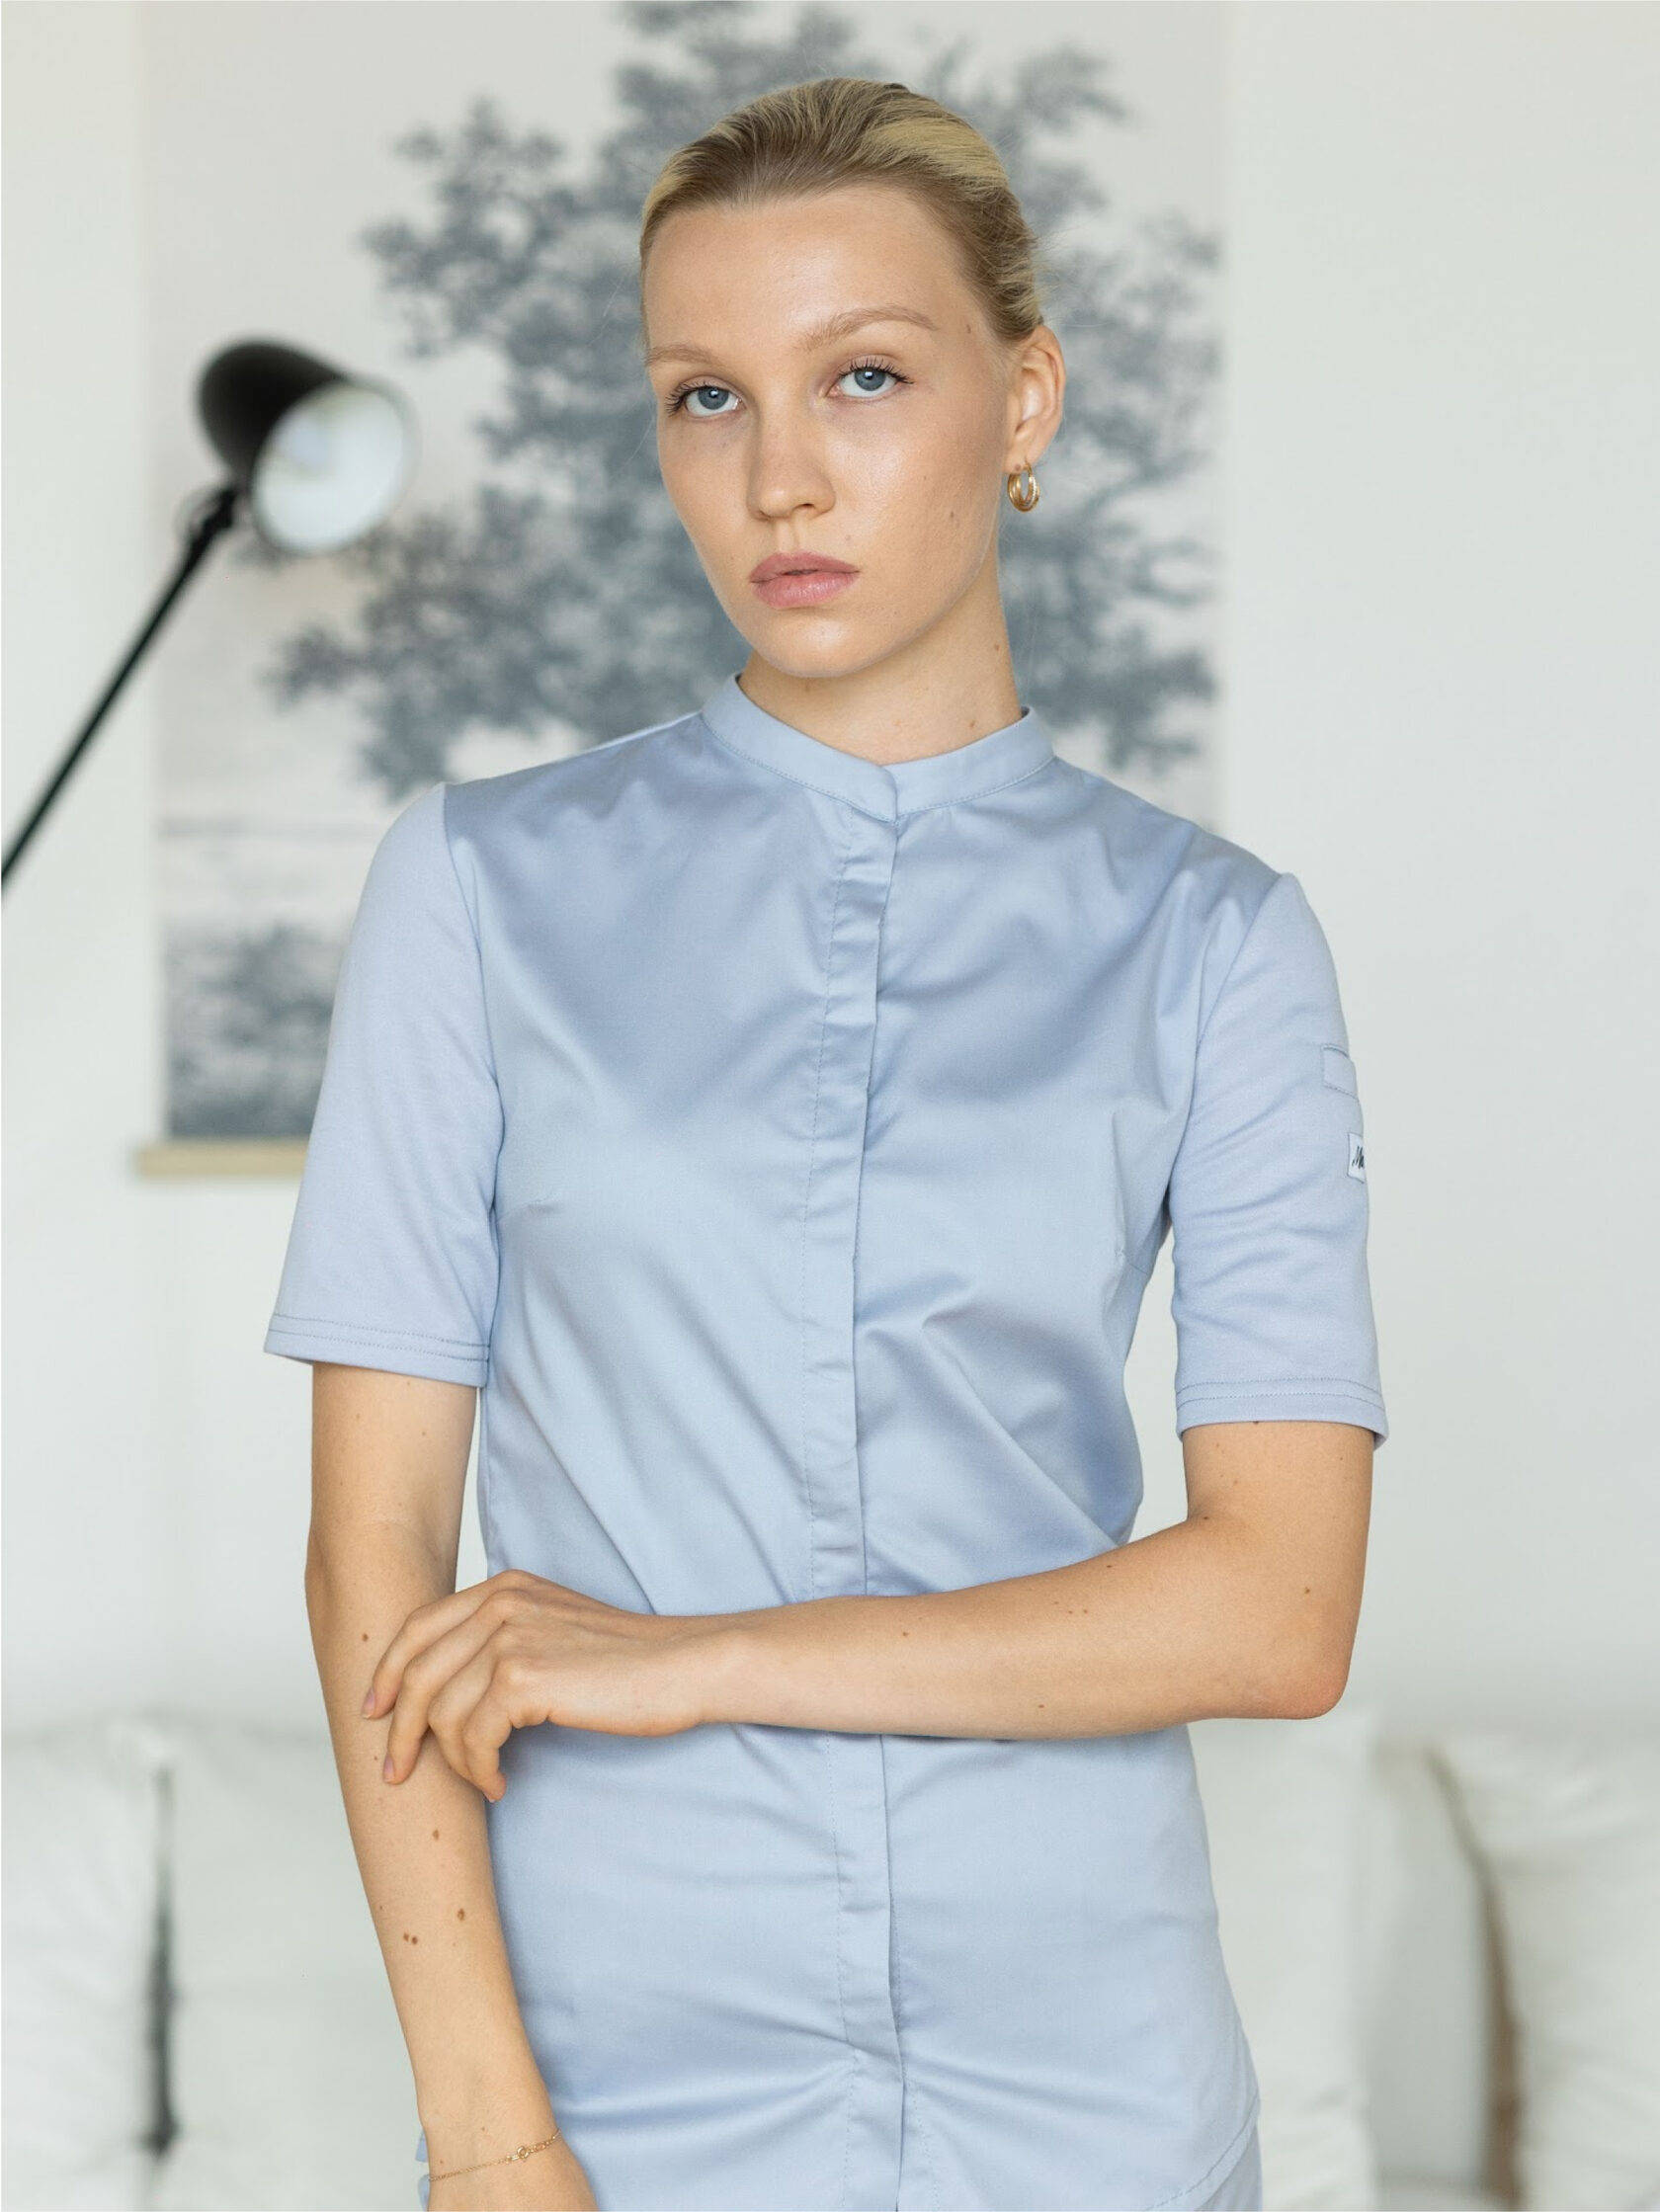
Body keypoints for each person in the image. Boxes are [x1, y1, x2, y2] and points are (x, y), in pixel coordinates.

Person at [266, 75, 1386, 2212]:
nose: (779, 471)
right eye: (705, 396)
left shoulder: (1215, 941)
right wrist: (488, 2132)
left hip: (1088, 2089)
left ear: (1024, 397)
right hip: (612, 2071)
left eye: (863, 374)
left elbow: (1281, 1608)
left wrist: (693, 1658)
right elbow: (371, 1560)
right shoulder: (479, 887)